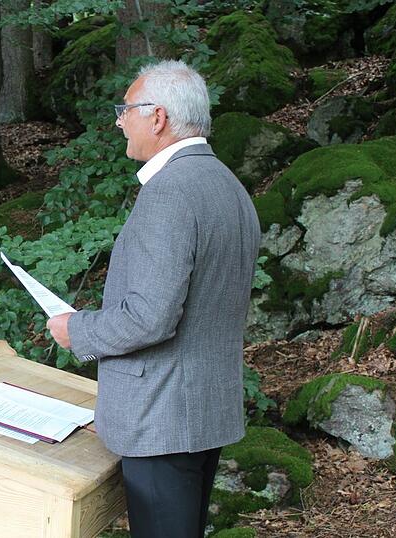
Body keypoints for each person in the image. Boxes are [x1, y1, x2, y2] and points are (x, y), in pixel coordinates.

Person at [46, 60, 261, 538]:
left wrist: (74, 328)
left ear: (157, 117)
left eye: (126, 110)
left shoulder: (170, 192)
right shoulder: (228, 185)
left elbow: (149, 318)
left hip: (161, 417)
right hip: (204, 410)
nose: (120, 120)